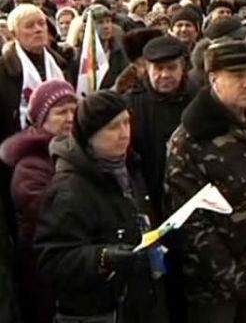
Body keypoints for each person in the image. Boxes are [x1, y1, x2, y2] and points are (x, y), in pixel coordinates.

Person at [164, 40, 246, 323]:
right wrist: (233, 275)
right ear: (214, 79)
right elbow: (191, 219)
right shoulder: (190, 139)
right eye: (238, 76)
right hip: (216, 286)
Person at [34, 90, 168, 323]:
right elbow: (52, 259)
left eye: (127, 122)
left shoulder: (130, 167)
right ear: (90, 135)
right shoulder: (69, 189)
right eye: (113, 127)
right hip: (98, 312)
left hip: (141, 302)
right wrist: (103, 257)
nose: (124, 133)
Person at [0, 80, 77, 323]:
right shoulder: (30, 164)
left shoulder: (78, 150)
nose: (70, 117)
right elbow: (50, 210)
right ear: (41, 119)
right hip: (43, 270)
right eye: (61, 112)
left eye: (74, 110)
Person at [125, 36, 196, 214]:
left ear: (183, 67)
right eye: (158, 68)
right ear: (147, 69)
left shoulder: (199, 101)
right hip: (149, 197)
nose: (164, 75)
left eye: (171, 68)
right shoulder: (131, 104)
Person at [0, 4, 67, 143]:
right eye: (29, 26)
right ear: (14, 33)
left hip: (60, 144)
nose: (38, 29)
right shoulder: (4, 69)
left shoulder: (62, 64)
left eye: (41, 24)